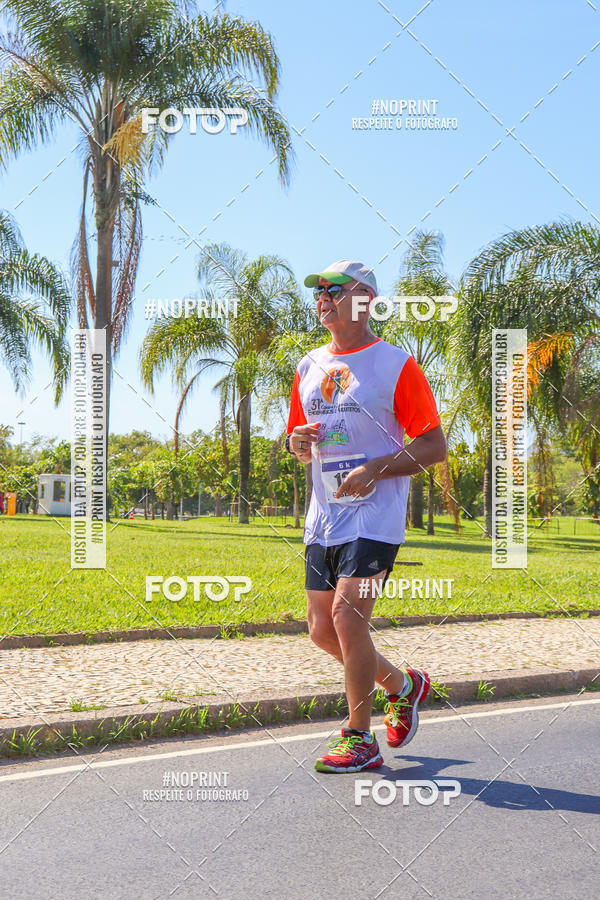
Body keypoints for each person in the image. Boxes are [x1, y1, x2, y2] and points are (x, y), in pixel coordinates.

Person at [285, 260, 447, 773]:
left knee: (347, 617)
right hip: (324, 517)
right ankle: (403, 685)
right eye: (319, 289)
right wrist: (297, 442)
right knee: (319, 629)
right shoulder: (308, 365)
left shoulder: (397, 365)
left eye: (335, 289)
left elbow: (434, 447)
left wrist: (378, 467)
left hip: (375, 517)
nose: (323, 296)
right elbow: (298, 440)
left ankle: (359, 737)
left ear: (365, 300)